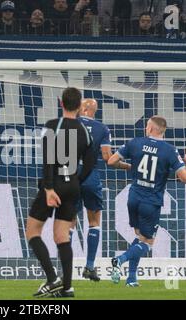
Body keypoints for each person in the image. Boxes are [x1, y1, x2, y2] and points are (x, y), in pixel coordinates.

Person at [107, 116, 186, 287]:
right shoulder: (169, 150)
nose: (145, 128)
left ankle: (131, 278)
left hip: (133, 197)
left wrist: (129, 166)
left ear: (152, 129)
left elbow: (111, 161)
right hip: (151, 201)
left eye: (147, 126)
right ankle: (119, 260)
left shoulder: (134, 142)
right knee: (148, 242)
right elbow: (185, 178)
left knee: (140, 237)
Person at [26, 87, 97, 298]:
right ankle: (67, 288)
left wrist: (48, 189)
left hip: (53, 184)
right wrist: (76, 180)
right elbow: (91, 163)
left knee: (32, 231)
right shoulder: (85, 131)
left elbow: (48, 159)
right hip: (72, 185)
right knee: (61, 237)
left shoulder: (51, 126)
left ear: (61, 104)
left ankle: (52, 278)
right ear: (80, 106)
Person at [73, 99, 131, 281]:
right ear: (93, 111)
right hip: (90, 176)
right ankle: (89, 267)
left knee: (67, 223)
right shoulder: (102, 129)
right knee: (94, 221)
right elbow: (108, 158)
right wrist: (129, 166)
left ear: (82, 108)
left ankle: (63, 269)